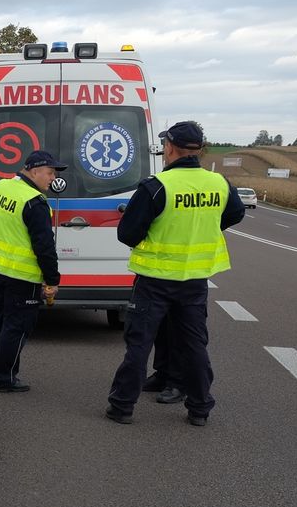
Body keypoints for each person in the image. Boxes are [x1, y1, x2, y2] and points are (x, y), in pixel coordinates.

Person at [105, 121, 245, 426]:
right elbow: (236, 213)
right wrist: (205, 228)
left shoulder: (157, 186)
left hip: (155, 278)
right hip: (195, 280)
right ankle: (199, 408)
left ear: (169, 147)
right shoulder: (218, 183)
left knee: (139, 343)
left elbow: (127, 234)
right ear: (200, 150)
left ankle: (122, 406)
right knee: (194, 343)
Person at [0, 149, 62, 393]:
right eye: (49, 172)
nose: (52, 178)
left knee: (1, 321)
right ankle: (4, 377)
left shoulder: (0, 187)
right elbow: (45, 247)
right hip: (22, 274)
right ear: (34, 171)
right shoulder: (35, 203)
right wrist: (52, 279)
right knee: (17, 327)